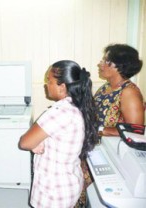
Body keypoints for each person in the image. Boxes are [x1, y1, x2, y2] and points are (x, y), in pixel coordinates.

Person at [19, 60, 98, 208]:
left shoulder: (60, 111)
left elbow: (25, 142)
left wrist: (34, 143)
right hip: (67, 181)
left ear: (62, 87)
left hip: (54, 191)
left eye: (49, 81)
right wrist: (38, 142)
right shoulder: (76, 105)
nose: (46, 85)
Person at [77, 43, 145, 207]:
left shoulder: (129, 92)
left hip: (108, 155)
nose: (100, 63)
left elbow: (135, 132)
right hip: (93, 148)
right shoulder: (106, 87)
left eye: (105, 60)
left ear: (118, 67)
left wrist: (98, 130)